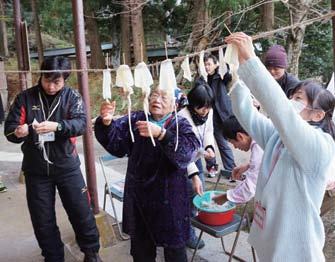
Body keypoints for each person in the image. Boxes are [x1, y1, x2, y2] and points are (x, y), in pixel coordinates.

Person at [223, 32, 335, 261]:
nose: (291, 101)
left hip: (298, 249)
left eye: (299, 98)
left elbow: (282, 112)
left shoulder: (320, 146)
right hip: (271, 237)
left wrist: (252, 59)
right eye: (291, 96)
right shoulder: (278, 136)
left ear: (317, 115)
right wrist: (238, 73)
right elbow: (247, 115)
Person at [4, 56, 101, 262]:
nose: (50, 86)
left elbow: (82, 124)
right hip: (36, 169)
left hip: (67, 166)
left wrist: (58, 127)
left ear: (65, 79)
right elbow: (9, 131)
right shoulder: (25, 98)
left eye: (56, 82)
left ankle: (91, 252)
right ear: (41, 76)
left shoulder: (72, 97)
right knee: (42, 219)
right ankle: (53, 257)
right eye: (47, 80)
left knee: (81, 211)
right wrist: (19, 132)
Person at [95, 87, 200, 262]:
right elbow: (117, 146)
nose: (157, 100)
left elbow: (188, 153)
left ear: (174, 104)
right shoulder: (137, 119)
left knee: (175, 250)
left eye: (163, 96)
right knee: (142, 249)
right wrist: (106, 124)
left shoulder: (180, 124)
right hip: (140, 196)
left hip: (171, 197)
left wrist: (162, 134)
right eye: (154, 95)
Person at [178, 82, 217, 249]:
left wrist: (208, 147)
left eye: (208, 107)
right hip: (182, 161)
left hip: (197, 157)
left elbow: (208, 132)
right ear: (193, 104)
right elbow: (183, 151)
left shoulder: (208, 112)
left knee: (198, 193)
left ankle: (190, 225)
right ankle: (187, 234)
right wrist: (193, 175)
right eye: (202, 107)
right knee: (187, 195)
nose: (206, 111)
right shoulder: (182, 117)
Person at [214, 116, 263, 204]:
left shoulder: (258, 148)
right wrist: (248, 166)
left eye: (233, 142)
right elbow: (262, 162)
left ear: (240, 136)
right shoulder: (259, 134)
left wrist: (226, 197)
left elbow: (249, 189)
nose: (235, 147)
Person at [204, 53, 235, 172]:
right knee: (208, 143)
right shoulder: (202, 78)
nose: (207, 67)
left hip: (223, 114)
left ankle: (230, 169)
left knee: (224, 144)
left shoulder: (221, 75)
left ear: (215, 64)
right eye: (205, 64)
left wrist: (223, 61)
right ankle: (212, 167)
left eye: (209, 64)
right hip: (209, 116)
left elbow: (228, 75)